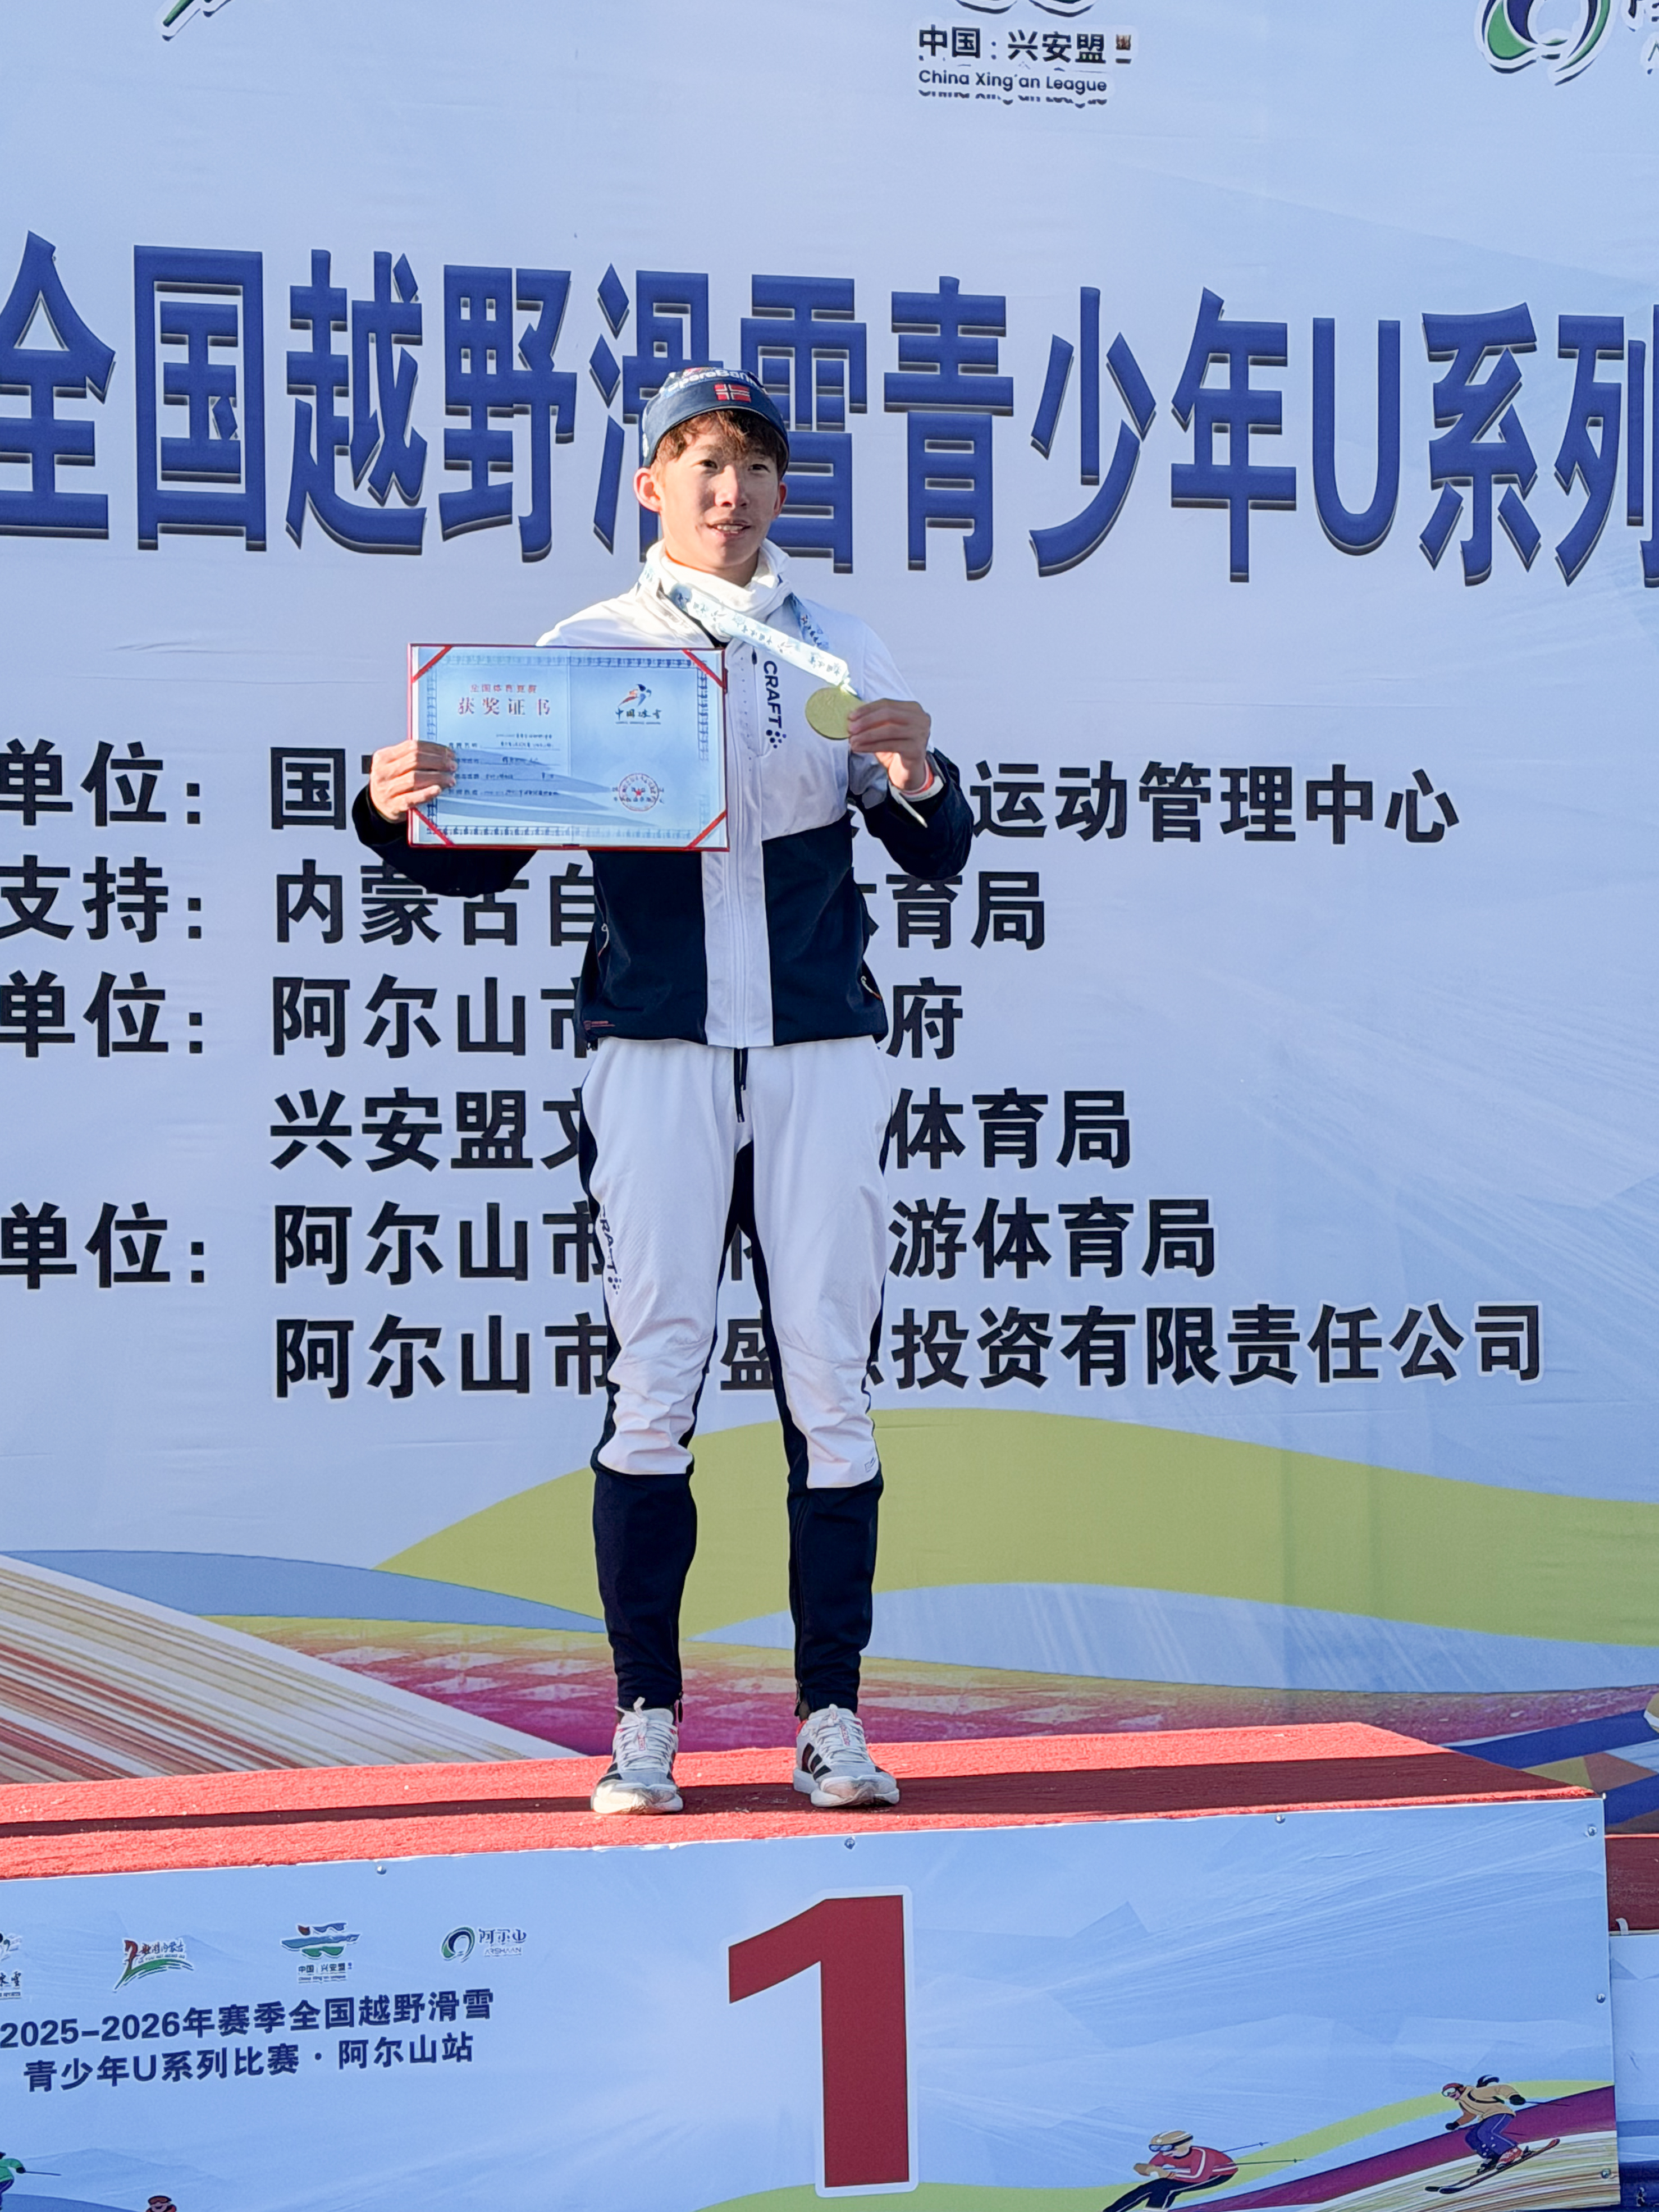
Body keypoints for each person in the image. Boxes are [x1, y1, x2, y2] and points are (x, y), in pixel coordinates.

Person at [358, 364, 973, 1817]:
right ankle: (643, 1720)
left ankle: (830, 1718)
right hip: (653, 1052)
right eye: (699, 461)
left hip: (818, 1052)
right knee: (655, 1379)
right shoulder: (591, 649)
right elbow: (479, 856)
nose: (728, 489)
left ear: (780, 487)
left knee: (831, 1386)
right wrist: (394, 812)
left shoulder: (839, 646)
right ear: (649, 484)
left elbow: (935, 850)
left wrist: (919, 774)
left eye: (751, 464)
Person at [1103, 2129, 1239, 2212]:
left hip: (1217, 2174)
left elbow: (1198, 2177)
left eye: (1168, 2148)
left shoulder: (1202, 2155)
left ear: (1184, 2145)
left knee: (1166, 2188)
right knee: (1148, 2188)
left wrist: (1168, 2174)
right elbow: (1149, 2167)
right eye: (1157, 2149)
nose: (1163, 2152)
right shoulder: (1164, 2155)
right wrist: (1147, 2169)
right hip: (1189, 2174)